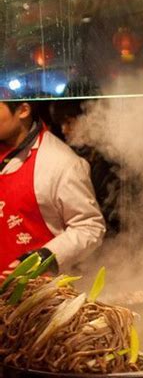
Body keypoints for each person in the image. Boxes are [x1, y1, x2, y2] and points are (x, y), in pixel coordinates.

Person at [0, 95, 105, 277]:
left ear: (23, 110)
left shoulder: (60, 162)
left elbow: (89, 227)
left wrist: (44, 257)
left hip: (39, 296)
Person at [49, 99, 122, 237]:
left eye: (69, 122)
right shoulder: (71, 155)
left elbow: (113, 215)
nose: (64, 129)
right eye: (61, 124)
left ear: (89, 119)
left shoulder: (109, 158)